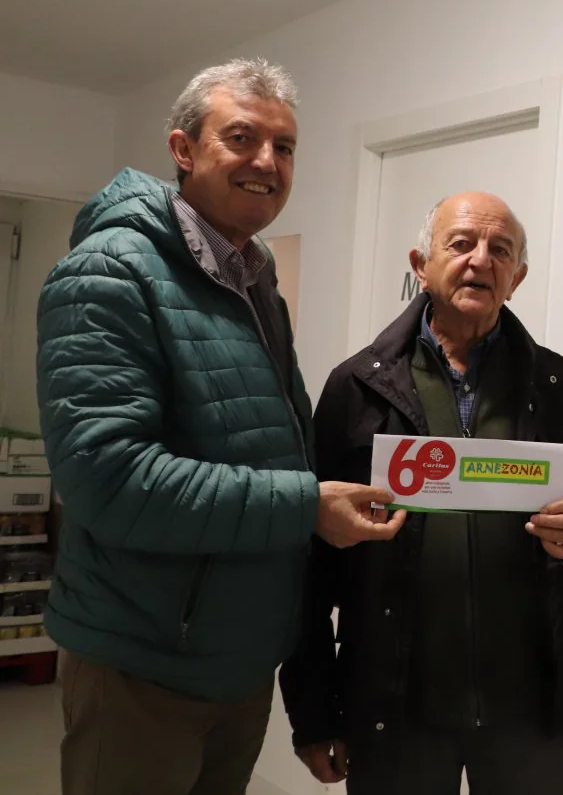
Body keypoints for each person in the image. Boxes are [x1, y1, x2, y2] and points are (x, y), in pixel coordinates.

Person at [35, 58, 406, 795]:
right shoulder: (108, 271)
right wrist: (306, 507)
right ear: (183, 149)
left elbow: (274, 447)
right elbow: (109, 480)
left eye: (285, 146)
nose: (267, 162)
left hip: (237, 665)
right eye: (242, 138)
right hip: (142, 663)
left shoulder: (254, 279)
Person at [280, 191, 563, 795]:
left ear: (516, 278)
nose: (480, 260)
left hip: (531, 706)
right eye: (461, 243)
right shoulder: (356, 387)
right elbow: (309, 565)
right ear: (421, 264)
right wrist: (314, 712)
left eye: (500, 250)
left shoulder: (557, 383)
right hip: (396, 704)